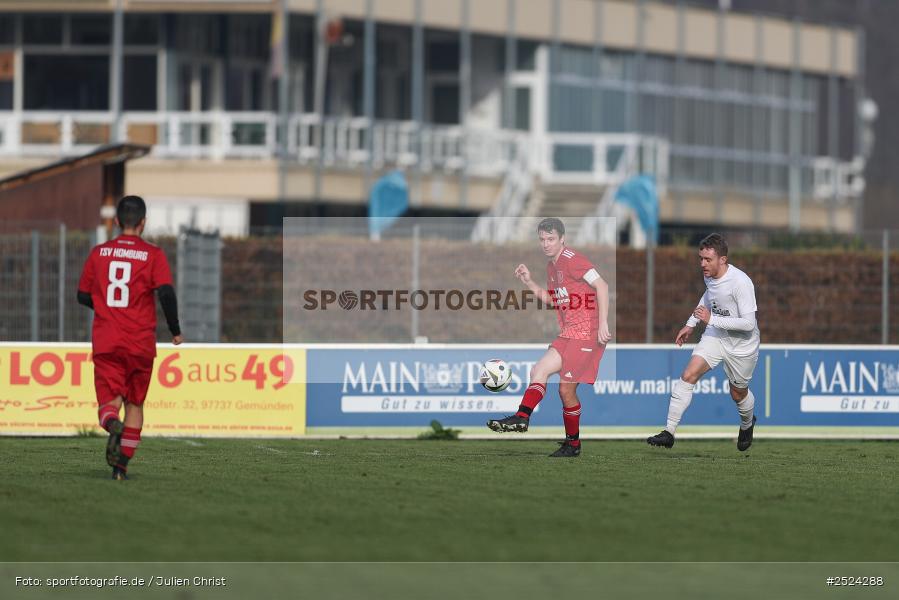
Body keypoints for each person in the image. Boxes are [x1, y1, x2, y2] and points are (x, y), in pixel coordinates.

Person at [77, 195, 182, 480]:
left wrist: (107, 309)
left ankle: (113, 425)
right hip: (140, 343)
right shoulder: (153, 254)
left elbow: (82, 295)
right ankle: (121, 467)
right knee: (135, 404)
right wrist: (175, 330)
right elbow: (167, 293)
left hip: (107, 339)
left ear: (117, 222)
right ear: (144, 223)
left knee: (110, 403)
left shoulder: (99, 253)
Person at [487, 218, 611, 457]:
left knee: (566, 390)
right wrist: (529, 282)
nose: (546, 244)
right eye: (542, 239)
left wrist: (603, 323)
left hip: (586, 334)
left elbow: (603, 286)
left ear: (562, 239)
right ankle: (522, 417)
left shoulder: (572, 259)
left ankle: (573, 445)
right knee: (539, 370)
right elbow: (554, 300)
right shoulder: (552, 267)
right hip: (568, 334)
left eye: (551, 239)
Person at [647, 233, 760, 451]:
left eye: (708, 260)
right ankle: (669, 432)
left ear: (723, 260)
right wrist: (691, 323)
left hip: (742, 345)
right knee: (688, 375)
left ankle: (747, 423)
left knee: (737, 393)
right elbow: (709, 297)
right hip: (716, 334)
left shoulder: (741, 283)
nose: (702, 264)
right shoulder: (709, 276)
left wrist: (711, 319)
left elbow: (748, 323)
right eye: (701, 258)